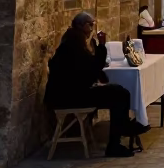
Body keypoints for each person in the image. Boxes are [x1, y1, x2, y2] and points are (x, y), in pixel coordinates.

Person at [44, 12, 147, 158]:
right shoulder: (73, 44)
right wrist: (102, 46)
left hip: (73, 92)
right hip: (68, 96)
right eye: (89, 24)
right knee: (119, 94)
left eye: (93, 24)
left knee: (119, 92)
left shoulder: (74, 40)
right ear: (80, 26)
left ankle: (123, 129)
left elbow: (89, 67)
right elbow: (92, 68)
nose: (92, 28)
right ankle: (117, 140)